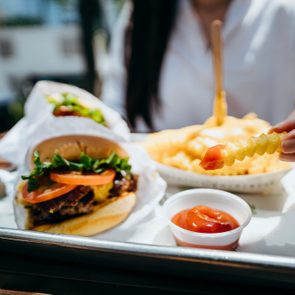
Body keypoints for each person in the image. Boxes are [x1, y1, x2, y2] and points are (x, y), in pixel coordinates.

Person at [102, 0, 295, 135]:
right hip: (157, 183)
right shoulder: (141, 13)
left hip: (266, 186)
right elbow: (114, 108)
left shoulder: (284, 12)